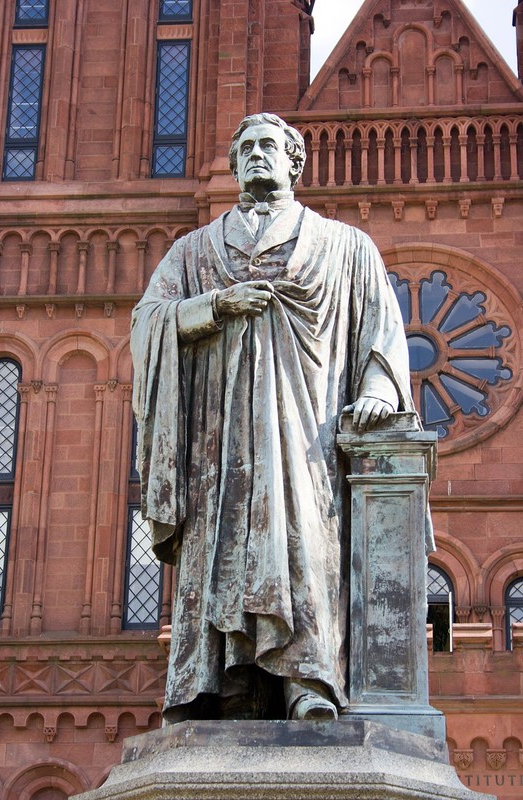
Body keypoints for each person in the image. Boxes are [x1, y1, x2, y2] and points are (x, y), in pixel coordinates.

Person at [130, 113, 413, 723]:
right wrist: (212, 305)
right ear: (233, 165)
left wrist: (379, 390)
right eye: (247, 147)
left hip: (304, 440)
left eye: (270, 147)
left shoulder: (344, 247)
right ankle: (228, 682)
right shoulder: (193, 252)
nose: (258, 155)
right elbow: (146, 321)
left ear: (294, 162)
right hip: (217, 449)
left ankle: (309, 680)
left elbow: (382, 334)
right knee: (219, 550)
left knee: (304, 543)